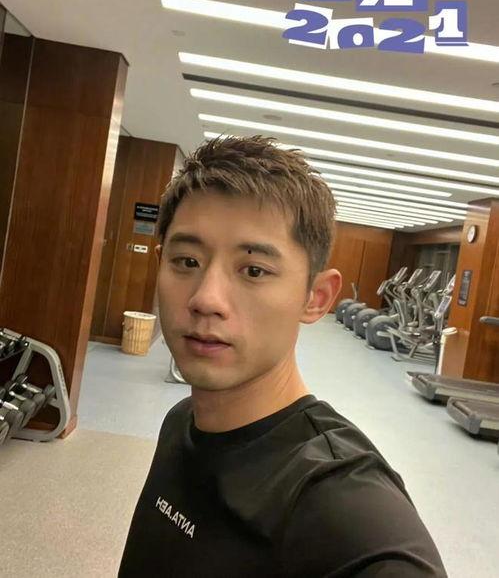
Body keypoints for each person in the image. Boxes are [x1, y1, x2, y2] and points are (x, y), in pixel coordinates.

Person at [118, 136, 447, 577]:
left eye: (254, 270)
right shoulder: (182, 422)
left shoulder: (345, 512)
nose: (206, 299)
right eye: (187, 261)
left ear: (316, 297)